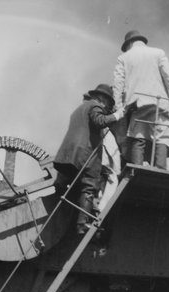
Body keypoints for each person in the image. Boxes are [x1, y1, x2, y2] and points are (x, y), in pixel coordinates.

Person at [52, 83, 122, 233]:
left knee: (64, 183)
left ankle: (58, 196)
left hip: (67, 155)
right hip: (84, 155)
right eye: (109, 103)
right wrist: (118, 115)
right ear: (103, 99)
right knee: (89, 185)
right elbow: (100, 121)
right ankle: (82, 224)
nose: (107, 107)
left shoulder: (79, 109)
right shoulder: (95, 106)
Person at [112, 29, 169, 169]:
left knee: (138, 135)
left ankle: (137, 168)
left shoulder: (123, 58)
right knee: (161, 136)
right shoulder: (158, 53)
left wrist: (119, 107)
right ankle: (160, 168)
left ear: (129, 43)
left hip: (136, 104)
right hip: (159, 102)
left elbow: (117, 84)